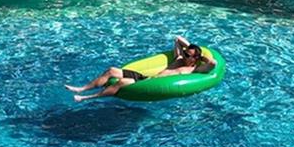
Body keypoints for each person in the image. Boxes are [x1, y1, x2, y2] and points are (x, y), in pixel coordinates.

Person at [66, 35, 213, 101]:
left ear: (195, 59)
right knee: (112, 70)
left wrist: (201, 57)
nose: (185, 55)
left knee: (122, 82)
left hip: (149, 84)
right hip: (147, 78)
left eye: (188, 55)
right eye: (185, 53)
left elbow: (212, 64)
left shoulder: (194, 70)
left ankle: (88, 98)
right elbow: (178, 39)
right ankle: (82, 88)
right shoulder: (179, 59)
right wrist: (189, 49)